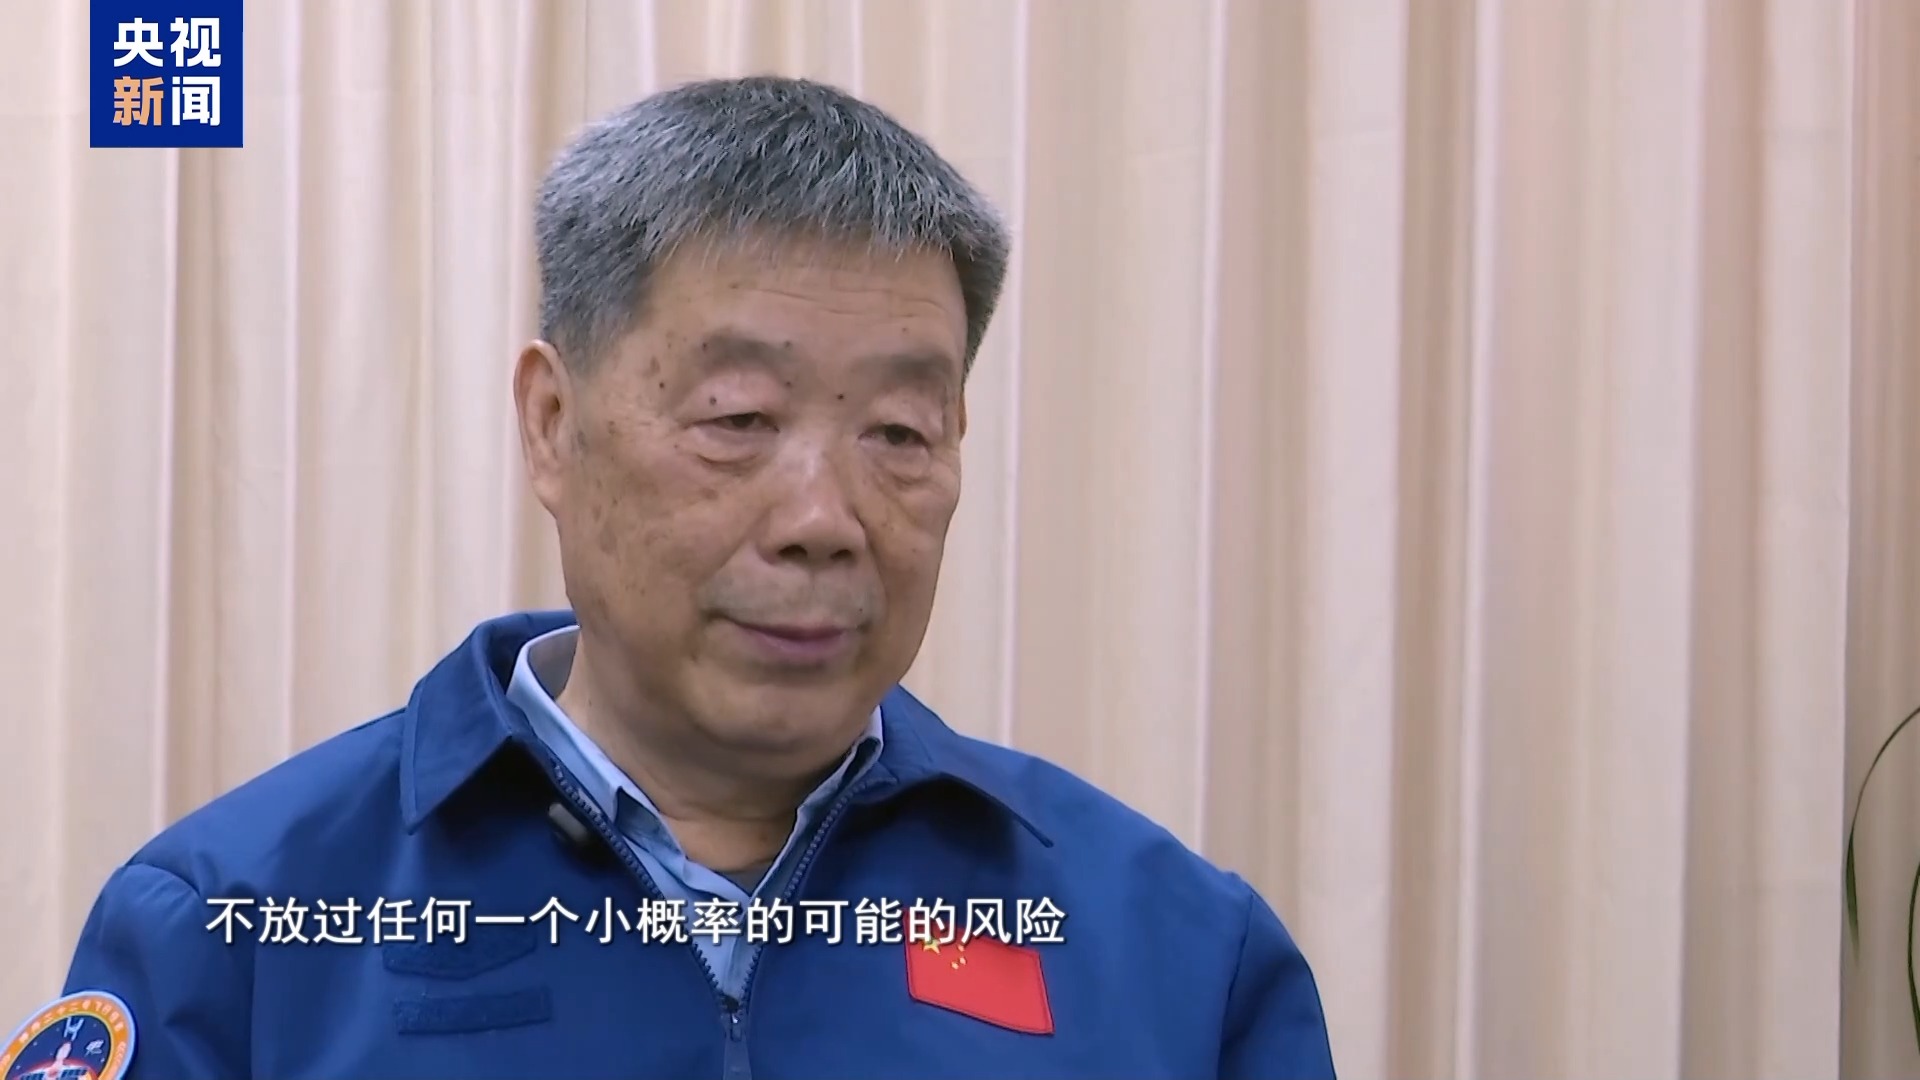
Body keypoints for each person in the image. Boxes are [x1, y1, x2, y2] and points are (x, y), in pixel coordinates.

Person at [29, 76, 1335, 1079]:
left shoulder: (1176, 954)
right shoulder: (233, 927)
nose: (824, 521)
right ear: (553, 424)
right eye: (736, 419)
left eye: (899, 433)